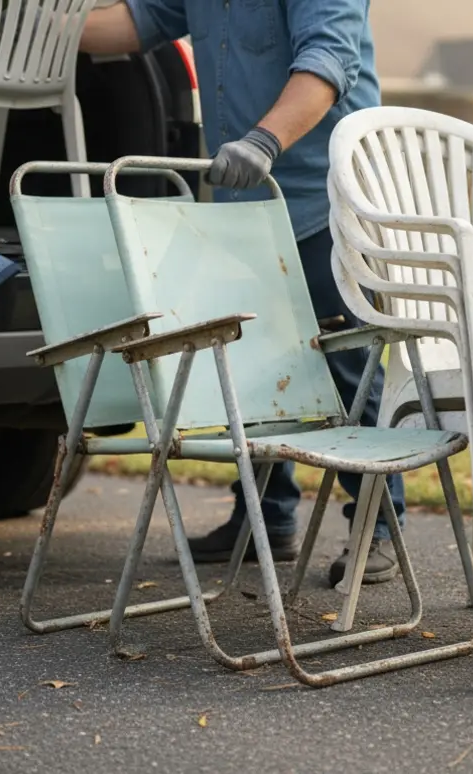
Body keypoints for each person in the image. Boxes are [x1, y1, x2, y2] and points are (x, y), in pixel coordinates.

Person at [80, 0, 406, 587]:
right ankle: (265, 519)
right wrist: (25, 29)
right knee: (250, 364)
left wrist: (264, 140)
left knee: (347, 369)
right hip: (244, 199)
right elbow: (138, 22)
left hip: (321, 195)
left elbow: (329, 60)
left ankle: (380, 528)